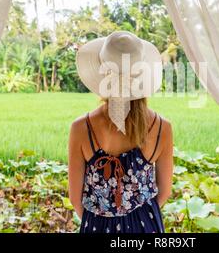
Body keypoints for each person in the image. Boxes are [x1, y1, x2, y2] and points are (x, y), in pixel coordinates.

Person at [68, 31, 173, 233]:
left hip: (96, 224)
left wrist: (101, 220)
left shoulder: (81, 128)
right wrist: (137, 219)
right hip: (146, 224)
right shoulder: (162, 128)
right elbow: (164, 191)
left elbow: (75, 198)